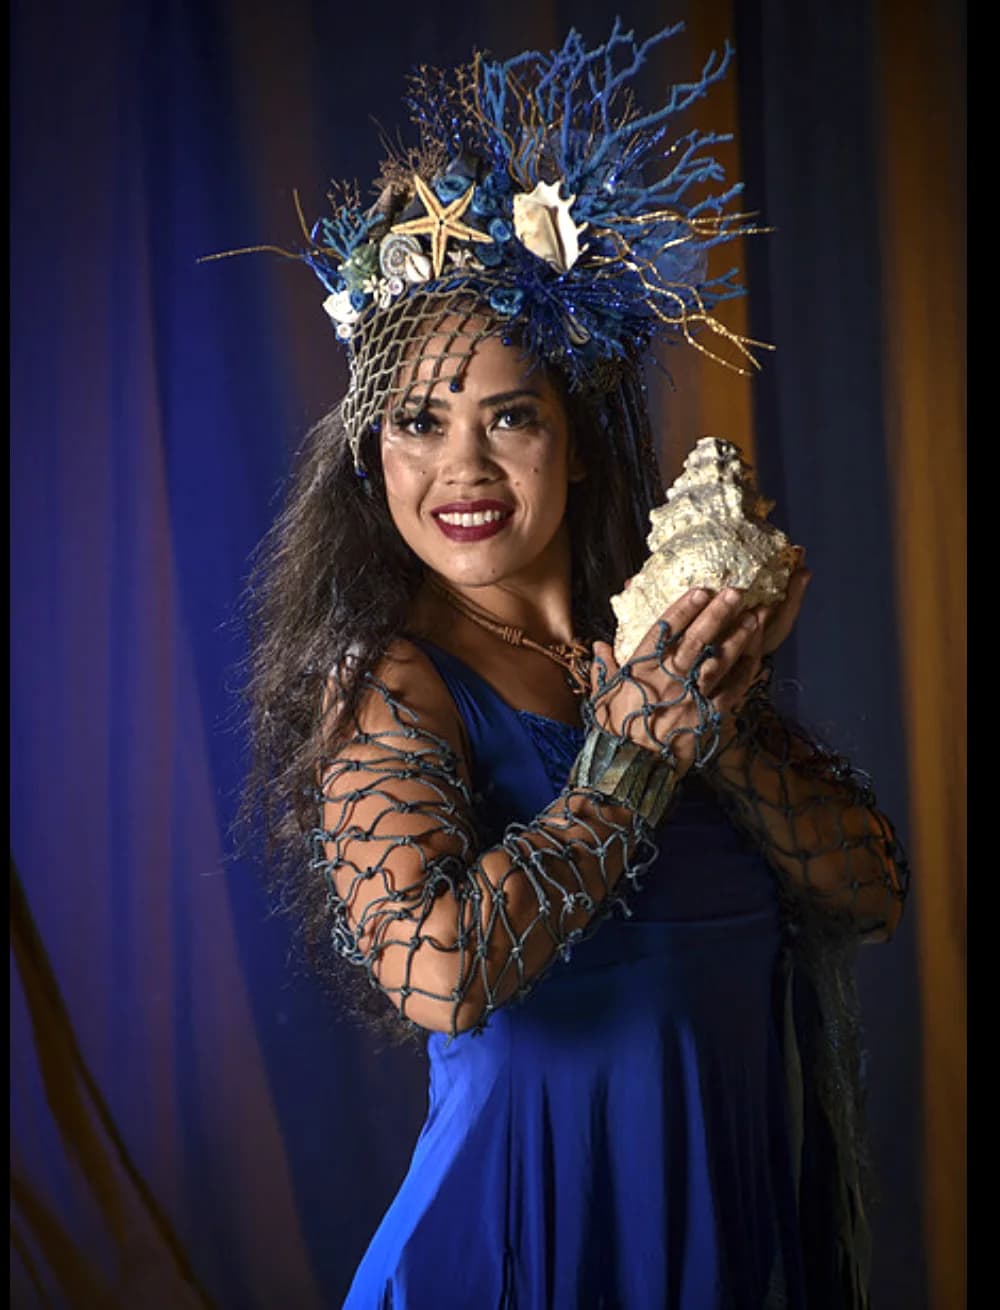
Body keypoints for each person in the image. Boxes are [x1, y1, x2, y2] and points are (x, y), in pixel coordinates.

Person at [237, 22, 909, 1309]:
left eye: (510, 416)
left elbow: (868, 891)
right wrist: (630, 762)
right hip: (522, 1239)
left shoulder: (666, 647)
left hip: (722, 1224)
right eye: (419, 422)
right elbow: (438, 973)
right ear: (374, 454)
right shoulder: (395, 683)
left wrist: (712, 721)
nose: (463, 468)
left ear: (579, 439)